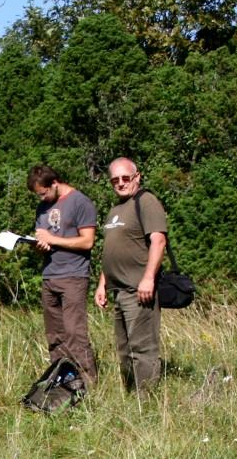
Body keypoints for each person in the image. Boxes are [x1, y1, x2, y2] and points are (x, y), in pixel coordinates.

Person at [95, 157, 167, 395]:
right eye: (115, 180)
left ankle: (145, 401)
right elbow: (111, 250)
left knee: (142, 348)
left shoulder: (146, 201)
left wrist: (148, 278)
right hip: (118, 290)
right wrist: (102, 285)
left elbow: (158, 240)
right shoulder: (115, 209)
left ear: (137, 176)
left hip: (138, 290)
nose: (121, 183)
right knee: (124, 349)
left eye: (126, 178)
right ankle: (131, 394)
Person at [27, 163, 98, 387]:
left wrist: (53, 240)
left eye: (43, 193)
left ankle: (87, 383)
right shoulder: (43, 207)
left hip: (73, 275)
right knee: (54, 336)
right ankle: (61, 382)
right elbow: (46, 237)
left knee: (74, 333)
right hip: (50, 275)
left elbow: (88, 241)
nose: (41, 199)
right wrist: (39, 245)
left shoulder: (80, 202)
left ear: (55, 184)